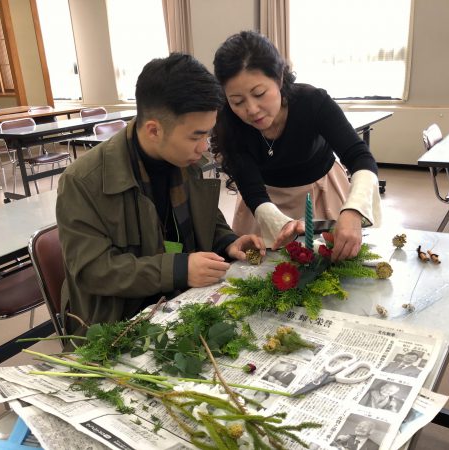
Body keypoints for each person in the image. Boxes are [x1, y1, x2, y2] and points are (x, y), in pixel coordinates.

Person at [56, 53, 265, 338]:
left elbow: (207, 220)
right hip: (118, 323)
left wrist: (229, 242)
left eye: (208, 135)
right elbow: (94, 270)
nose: (204, 147)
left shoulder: (184, 161)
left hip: (182, 302)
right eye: (195, 136)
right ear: (154, 129)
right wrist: (178, 270)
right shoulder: (83, 182)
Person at [211, 31, 381, 259]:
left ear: (279, 78)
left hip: (321, 193)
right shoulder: (230, 123)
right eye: (237, 101)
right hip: (263, 204)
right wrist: (278, 223)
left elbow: (360, 157)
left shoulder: (312, 102)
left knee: (330, 267)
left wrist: (353, 211)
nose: (251, 110)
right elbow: (250, 187)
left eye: (259, 93)